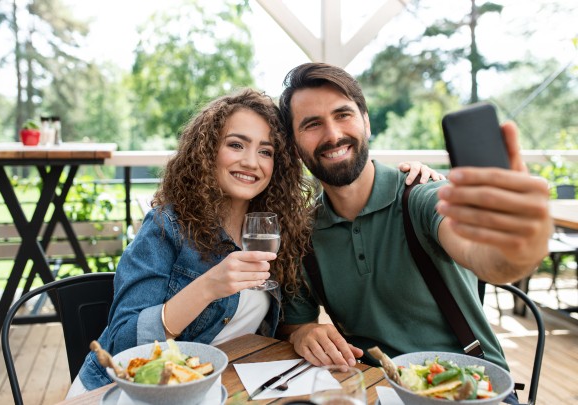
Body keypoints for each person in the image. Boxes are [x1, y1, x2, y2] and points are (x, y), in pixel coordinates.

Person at [67, 88, 442, 397]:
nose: (251, 162)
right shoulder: (166, 226)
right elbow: (120, 346)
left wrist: (302, 332)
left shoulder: (279, 229)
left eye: (266, 151)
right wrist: (209, 286)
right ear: (207, 151)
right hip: (133, 392)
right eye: (236, 145)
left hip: (226, 387)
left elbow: (279, 323)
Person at [276, 63, 551, 405]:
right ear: (293, 143)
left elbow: (490, 260)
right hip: (375, 388)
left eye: (343, 114)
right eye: (312, 124)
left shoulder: (421, 194)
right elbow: (293, 324)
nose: (332, 135)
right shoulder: (301, 235)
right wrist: (303, 331)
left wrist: (519, 244)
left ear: (366, 121)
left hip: (470, 389)